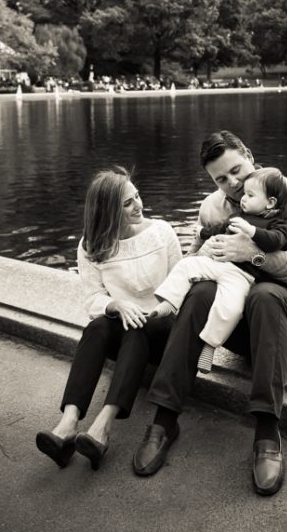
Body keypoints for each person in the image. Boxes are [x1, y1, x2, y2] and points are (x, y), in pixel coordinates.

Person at [132, 131, 287, 496]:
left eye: (237, 171)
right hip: (239, 320)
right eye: (221, 179)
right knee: (202, 289)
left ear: (250, 155)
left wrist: (250, 253)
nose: (233, 184)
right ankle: (164, 419)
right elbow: (197, 257)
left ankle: (267, 433)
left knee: (266, 295)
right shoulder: (212, 208)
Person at [35, 166, 182, 471]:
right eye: (128, 203)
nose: (139, 205)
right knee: (98, 326)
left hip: (163, 329)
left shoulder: (161, 232)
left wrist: (152, 311)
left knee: (139, 326)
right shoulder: (91, 246)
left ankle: (102, 426)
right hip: (124, 331)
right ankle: (68, 423)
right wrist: (116, 304)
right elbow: (92, 300)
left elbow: (180, 290)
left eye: (137, 196)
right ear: (108, 211)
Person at [149, 167, 287, 374]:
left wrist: (251, 231)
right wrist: (203, 232)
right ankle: (169, 302)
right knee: (187, 266)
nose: (243, 199)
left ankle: (210, 346)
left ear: (270, 203)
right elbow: (220, 228)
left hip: (242, 275)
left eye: (250, 195)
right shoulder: (239, 215)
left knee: (230, 308)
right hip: (217, 263)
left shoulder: (274, 223)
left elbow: (276, 242)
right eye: (245, 195)